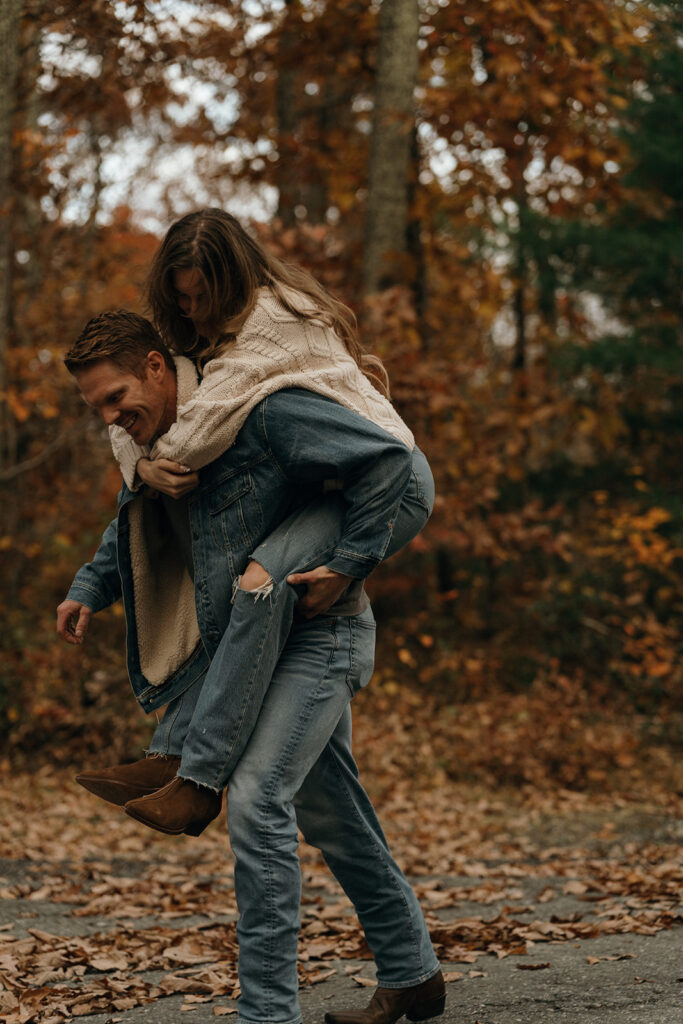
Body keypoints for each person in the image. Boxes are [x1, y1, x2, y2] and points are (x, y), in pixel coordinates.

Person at [58, 315, 444, 1024]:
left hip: (319, 634)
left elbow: (384, 463)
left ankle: (266, 1013)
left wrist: (350, 560)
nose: (113, 421)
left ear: (154, 366)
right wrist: (88, 586)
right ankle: (412, 971)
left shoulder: (260, 412)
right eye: (99, 412)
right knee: (334, 816)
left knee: (260, 797)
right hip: (252, 654)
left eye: (116, 399)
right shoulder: (161, 448)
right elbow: (136, 525)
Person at [68, 209, 435, 840]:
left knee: (257, 582)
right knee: (334, 817)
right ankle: (173, 755)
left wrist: (350, 564)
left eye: (203, 297)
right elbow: (154, 416)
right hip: (335, 485)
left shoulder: (272, 332)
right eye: (180, 298)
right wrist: (136, 485)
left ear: (235, 281)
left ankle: (195, 779)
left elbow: (197, 428)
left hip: (387, 482)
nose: (192, 312)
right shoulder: (204, 345)